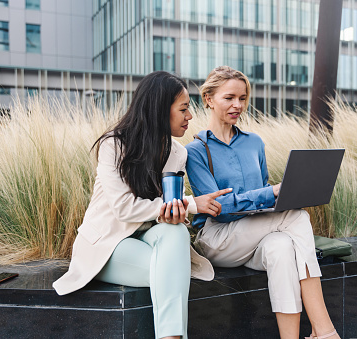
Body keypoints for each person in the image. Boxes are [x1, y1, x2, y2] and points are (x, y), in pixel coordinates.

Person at [53, 71, 230, 339]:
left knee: (177, 232)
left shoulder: (177, 152)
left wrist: (176, 213)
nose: (189, 117)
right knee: (172, 269)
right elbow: (124, 208)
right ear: (160, 109)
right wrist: (192, 204)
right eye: (183, 109)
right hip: (108, 244)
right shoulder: (114, 145)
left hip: (150, 236)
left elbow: (167, 208)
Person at [185, 66, 340, 339]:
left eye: (243, 98)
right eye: (229, 97)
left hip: (253, 235)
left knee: (281, 247)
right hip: (218, 239)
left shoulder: (254, 143)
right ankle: (324, 330)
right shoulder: (196, 151)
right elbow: (218, 208)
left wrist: (283, 195)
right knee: (297, 217)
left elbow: (263, 189)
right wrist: (272, 194)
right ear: (209, 99)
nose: (238, 105)